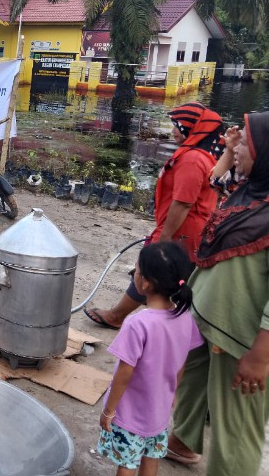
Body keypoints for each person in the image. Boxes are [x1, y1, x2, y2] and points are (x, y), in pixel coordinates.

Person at [167, 111, 269, 475]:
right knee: (193, 380)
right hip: (208, 315)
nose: (237, 146)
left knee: (236, 420)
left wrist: (261, 355)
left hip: (240, 333)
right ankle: (183, 440)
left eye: (247, 142)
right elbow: (213, 181)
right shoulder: (250, 190)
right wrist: (228, 150)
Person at [85, 102, 223, 329]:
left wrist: (164, 238)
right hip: (186, 231)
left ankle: (122, 317)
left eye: (178, 126)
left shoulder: (192, 160)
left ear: (192, 127)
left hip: (181, 231)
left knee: (152, 272)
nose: (173, 131)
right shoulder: (200, 155)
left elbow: (183, 203)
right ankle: (129, 317)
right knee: (164, 275)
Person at [97, 242, 203, 476]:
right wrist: (173, 393)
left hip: (130, 412)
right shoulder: (184, 317)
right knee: (151, 457)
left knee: (127, 464)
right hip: (159, 410)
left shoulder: (138, 324)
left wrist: (109, 410)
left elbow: (125, 372)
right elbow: (181, 361)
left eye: (136, 270)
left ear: (145, 282)